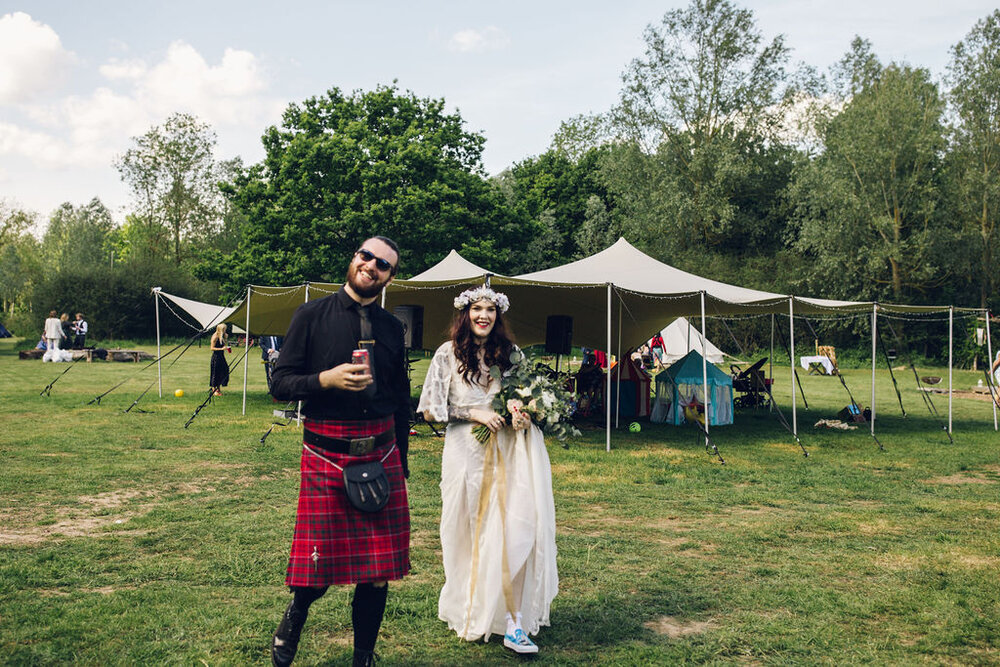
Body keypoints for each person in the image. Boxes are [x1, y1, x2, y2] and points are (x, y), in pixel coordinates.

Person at [269, 236, 411, 667]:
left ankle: (363, 655)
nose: (372, 266)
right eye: (366, 256)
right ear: (354, 259)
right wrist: (324, 380)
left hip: (381, 451)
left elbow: (400, 397)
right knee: (317, 565)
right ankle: (296, 615)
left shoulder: (392, 328)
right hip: (326, 452)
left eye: (383, 264)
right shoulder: (311, 315)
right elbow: (280, 383)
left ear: (389, 277)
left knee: (378, 570)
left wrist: (401, 462)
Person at [417, 286, 558, 655]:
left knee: (514, 529)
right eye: (477, 308)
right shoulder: (447, 355)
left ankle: (512, 620)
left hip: (510, 453)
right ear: (465, 313)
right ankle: (473, 608)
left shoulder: (511, 355)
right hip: (465, 454)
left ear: (498, 316)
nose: (484, 315)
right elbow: (430, 410)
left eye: (490, 310)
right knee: (465, 531)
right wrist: (473, 413)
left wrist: (524, 414)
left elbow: (532, 397)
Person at [209, 323, 230, 397]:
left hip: (221, 356)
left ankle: (218, 387)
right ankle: (214, 389)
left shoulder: (222, 336)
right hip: (216, 357)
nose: (225, 330)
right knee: (215, 373)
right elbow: (212, 348)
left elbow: (223, 345)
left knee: (225, 370)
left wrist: (226, 339)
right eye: (224, 329)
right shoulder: (215, 337)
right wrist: (221, 349)